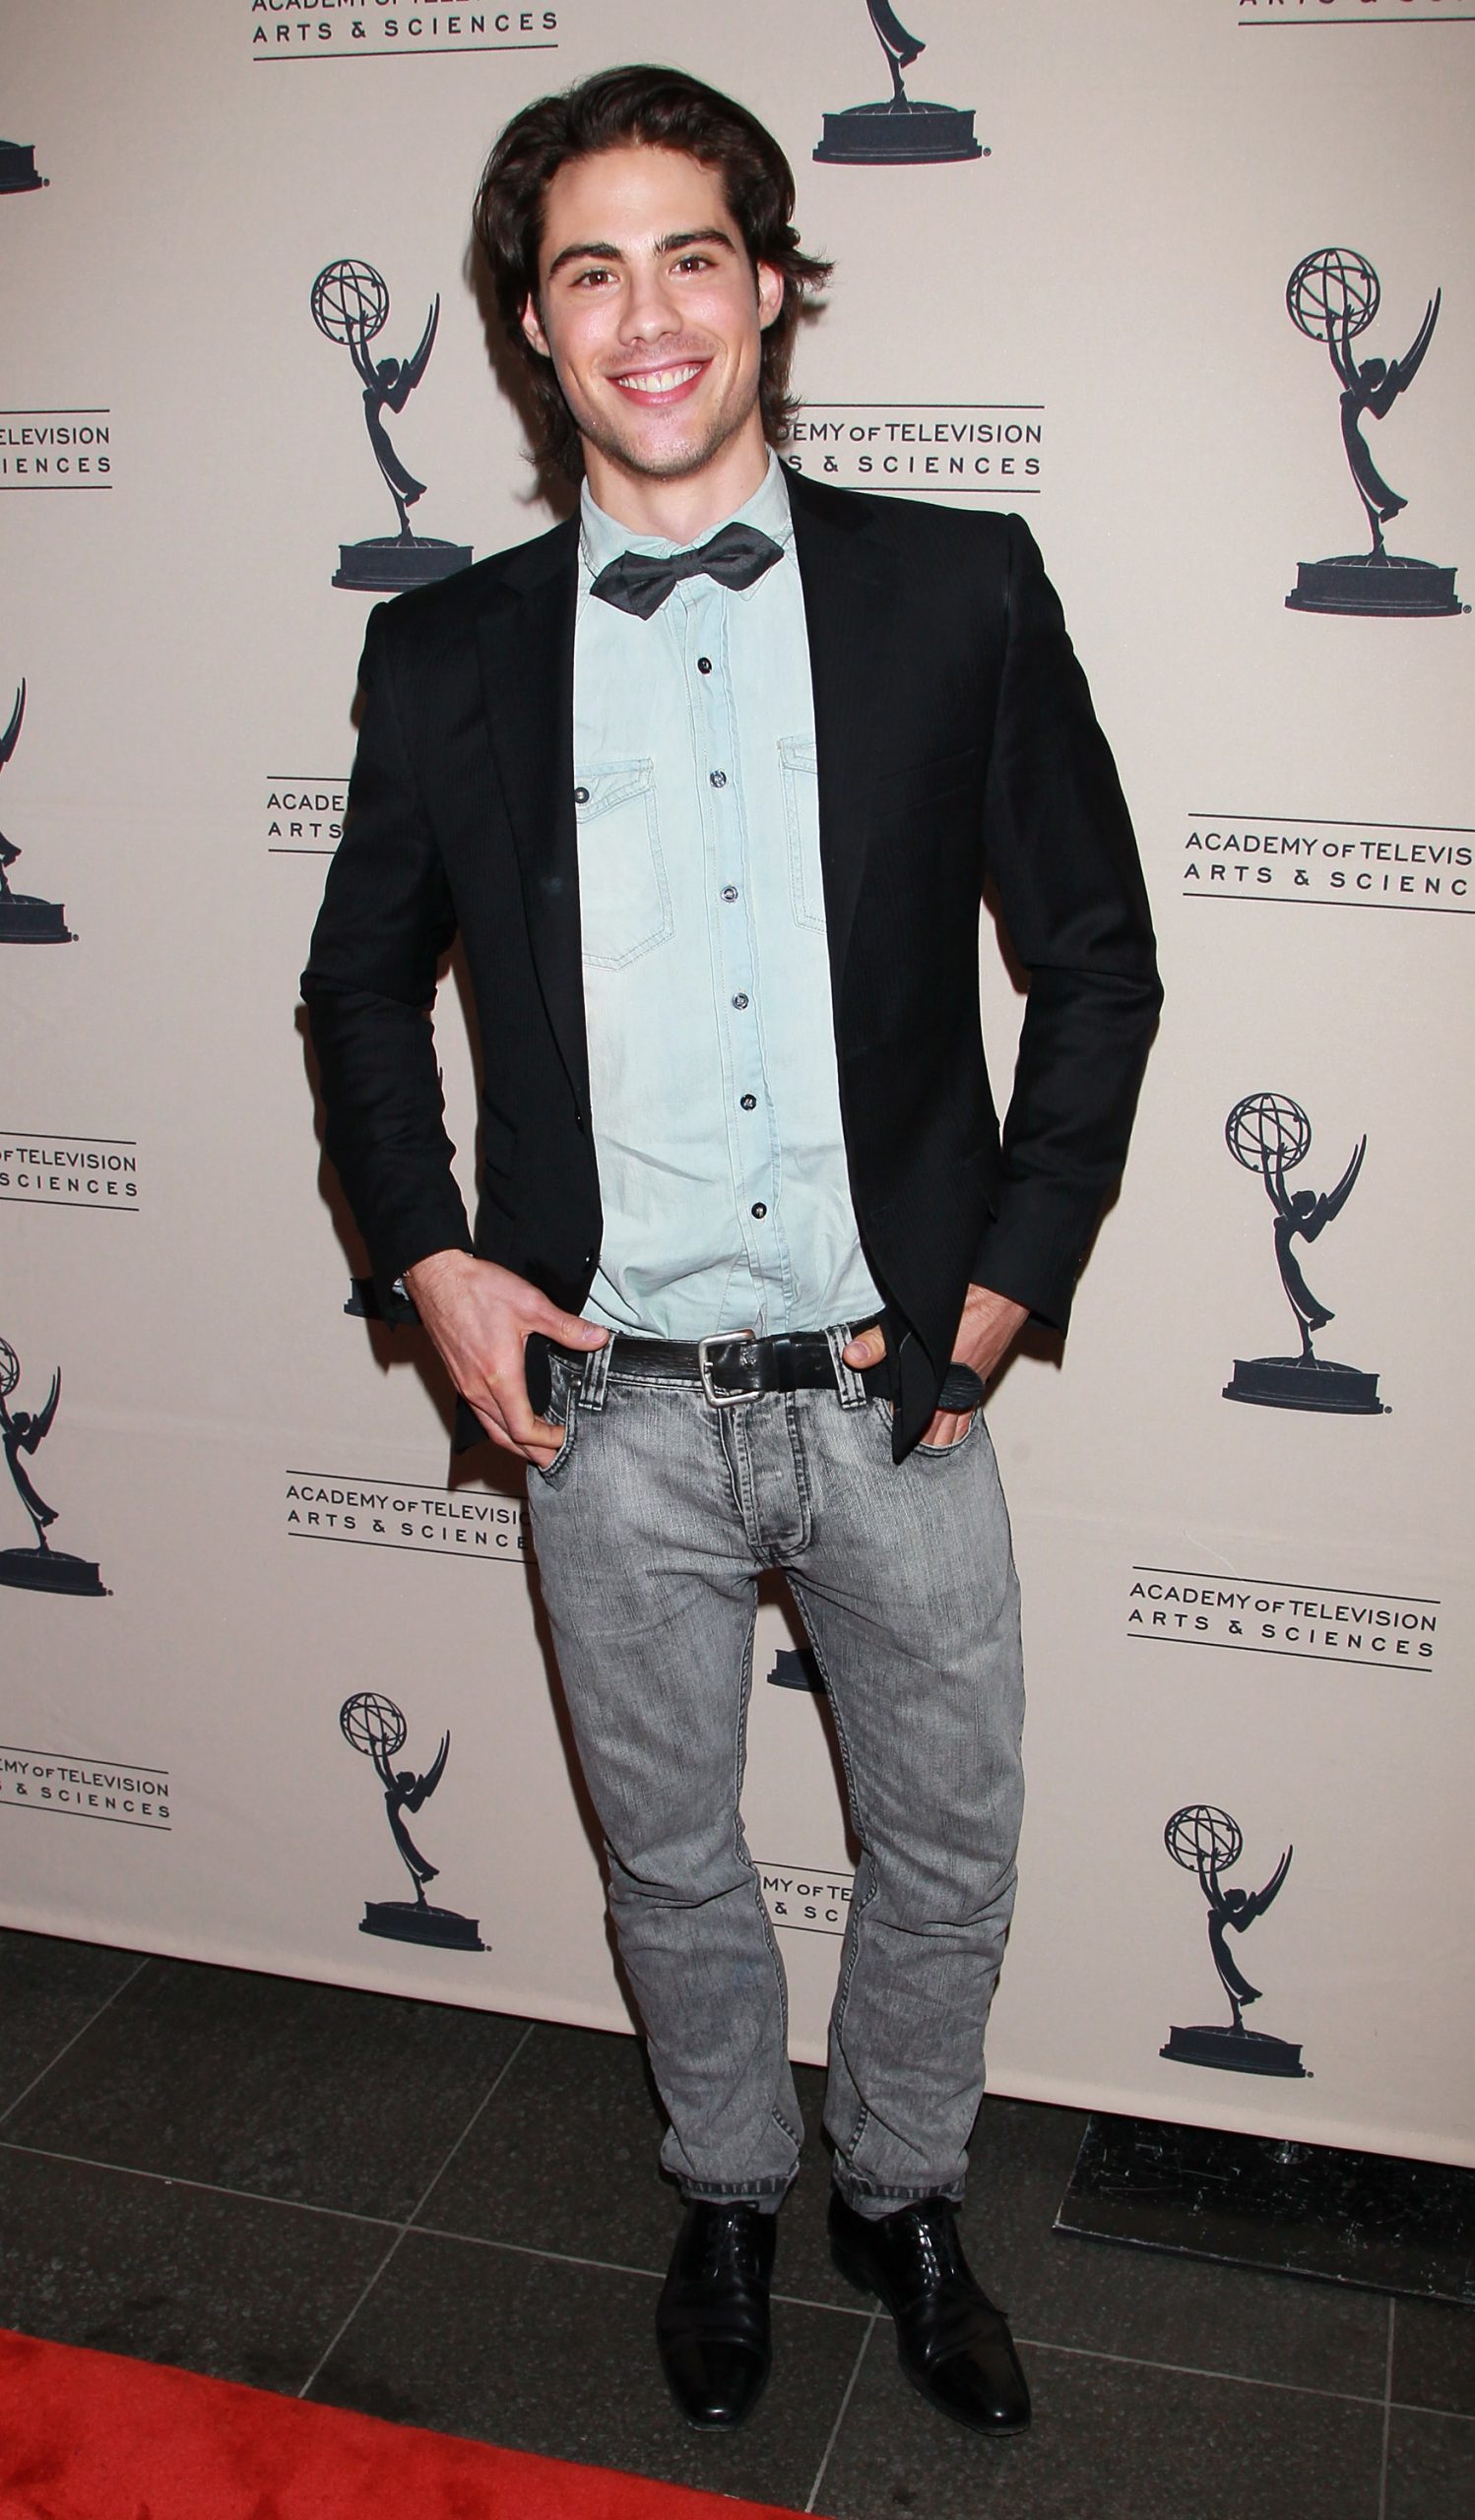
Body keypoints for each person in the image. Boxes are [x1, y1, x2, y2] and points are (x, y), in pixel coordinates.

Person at [302, 62, 1161, 2442]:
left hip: (902, 1381)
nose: (647, 310)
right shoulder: (447, 651)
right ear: (530, 324)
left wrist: (1007, 1264)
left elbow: (1092, 955)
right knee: (669, 1855)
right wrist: (431, 1259)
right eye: (590, 267)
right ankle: (718, 2180)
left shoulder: (954, 586)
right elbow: (357, 981)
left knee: (948, 1845)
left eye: (693, 252)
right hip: (610, 1404)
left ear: (772, 285)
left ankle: (895, 2186)